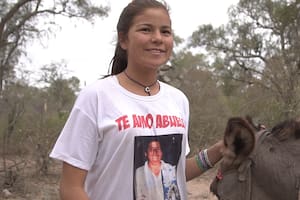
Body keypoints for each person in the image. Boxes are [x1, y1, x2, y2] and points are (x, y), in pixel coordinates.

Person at [49, 0, 224, 200]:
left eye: (165, 32)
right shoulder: (96, 97)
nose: (158, 38)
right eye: (146, 30)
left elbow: (175, 174)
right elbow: (71, 188)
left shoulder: (178, 100)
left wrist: (218, 151)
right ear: (123, 40)